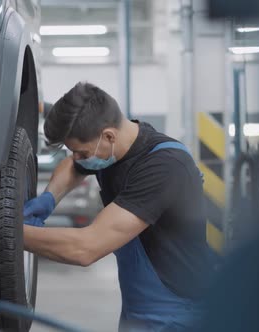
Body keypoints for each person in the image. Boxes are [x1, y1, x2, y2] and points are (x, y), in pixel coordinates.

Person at [23, 82, 209, 331]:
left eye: (81, 151)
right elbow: (74, 166)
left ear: (109, 135)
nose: (78, 158)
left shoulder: (164, 167)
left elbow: (85, 248)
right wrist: (49, 199)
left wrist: (4, 233)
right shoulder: (113, 149)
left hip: (179, 313)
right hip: (139, 307)